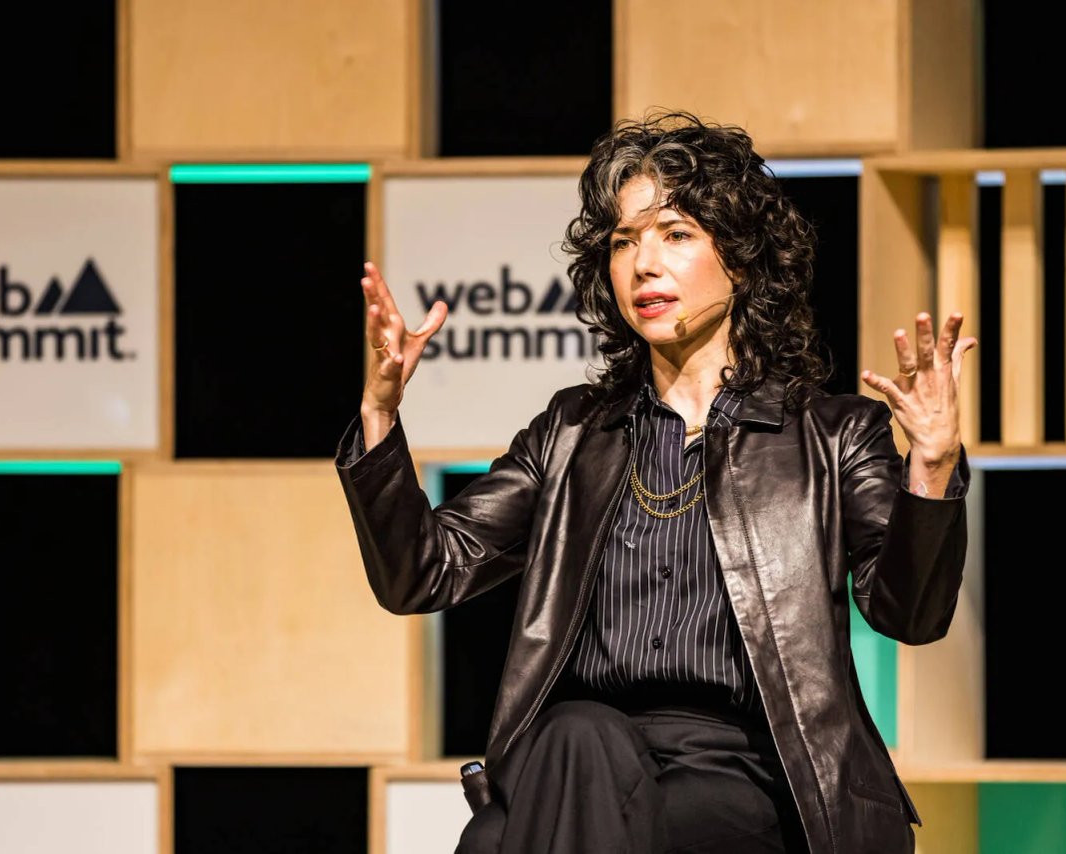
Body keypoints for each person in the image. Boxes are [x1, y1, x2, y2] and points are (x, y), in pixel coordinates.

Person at [335, 112, 974, 854]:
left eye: (675, 234)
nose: (643, 265)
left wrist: (931, 466)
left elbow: (911, 615)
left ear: (741, 259)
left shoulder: (830, 436)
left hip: (751, 775)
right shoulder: (574, 432)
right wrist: (379, 415)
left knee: (505, 832)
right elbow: (420, 574)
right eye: (623, 241)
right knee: (576, 736)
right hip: (582, 759)